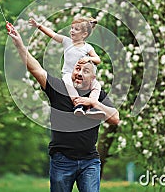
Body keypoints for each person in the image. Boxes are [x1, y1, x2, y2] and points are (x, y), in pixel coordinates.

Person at [7, 23, 120, 192]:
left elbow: (115, 119)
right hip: (62, 161)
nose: (79, 73)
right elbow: (35, 68)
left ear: (93, 77)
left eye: (85, 70)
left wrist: (94, 103)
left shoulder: (98, 94)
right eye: (77, 68)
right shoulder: (58, 88)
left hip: (90, 161)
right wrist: (19, 45)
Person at [29, 17, 105, 119]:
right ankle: (78, 104)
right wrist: (39, 26)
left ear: (84, 34)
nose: (72, 31)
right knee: (68, 83)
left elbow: (97, 59)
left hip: (81, 76)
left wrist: (88, 58)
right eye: (72, 28)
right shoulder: (67, 41)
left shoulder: (88, 47)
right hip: (68, 74)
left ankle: (92, 106)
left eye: (76, 29)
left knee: (97, 85)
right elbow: (52, 34)